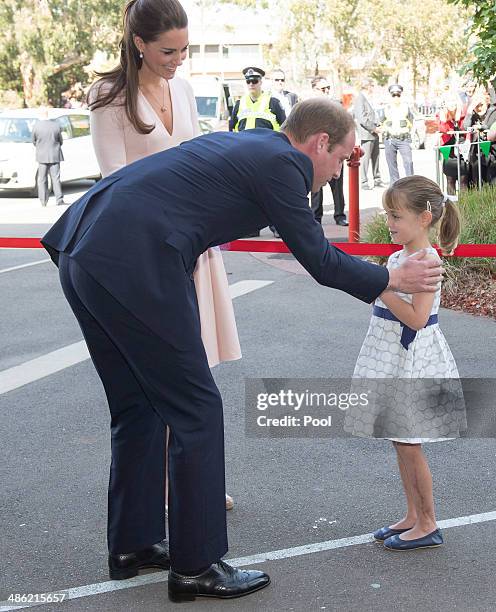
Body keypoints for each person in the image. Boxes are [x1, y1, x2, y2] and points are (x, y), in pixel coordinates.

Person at [41, 98, 445, 601]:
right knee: (197, 410)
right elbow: (317, 257)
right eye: (341, 158)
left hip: (84, 249)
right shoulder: (286, 165)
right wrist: (390, 275)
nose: (337, 170)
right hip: (133, 257)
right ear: (320, 143)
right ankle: (196, 565)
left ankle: (136, 542)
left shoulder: (255, 146)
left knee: (138, 406)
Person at [88, 0, 240, 517]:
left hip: (194, 246)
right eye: (168, 51)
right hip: (143, 256)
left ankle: (190, 478)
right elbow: (114, 183)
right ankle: (175, 488)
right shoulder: (109, 96)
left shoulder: (182, 87)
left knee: (192, 369)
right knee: (164, 375)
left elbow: (196, 160)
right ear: (138, 45)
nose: (178, 60)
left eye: (184, 50)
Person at [345, 175, 464, 551]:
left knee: (410, 443)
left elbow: (416, 318)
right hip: (393, 356)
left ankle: (428, 523)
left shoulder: (427, 260)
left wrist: (380, 284)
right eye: (388, 215)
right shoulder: (398, 257)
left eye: (396, 216)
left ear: (424, 218)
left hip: (413, 360)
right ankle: (413, 514)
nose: (390, 223)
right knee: (400, 441)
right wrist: (384, 278)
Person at [229, 66, 286, 238]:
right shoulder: (239, 104)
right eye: (248, 81)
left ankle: (277, 226)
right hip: (244, 155)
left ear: (261, 82)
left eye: (255, 80)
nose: (251, 84)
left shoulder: (273, 102)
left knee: (271, 192)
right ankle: (251, 227)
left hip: (267, 154)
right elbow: (232, 130)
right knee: (248, 193)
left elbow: (284, 128)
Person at [310, 76, 348, 226]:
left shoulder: (336, 105)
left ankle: (339, 215)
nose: (326, 91)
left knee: (337, 185)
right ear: (314, 90)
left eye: (328, 88)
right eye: (322, 89)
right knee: (315, 186)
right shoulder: (308, 109)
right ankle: (315, 217)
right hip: (316, 152)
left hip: (334, 150)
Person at [31, 108, 66, 207]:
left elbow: (33, 141)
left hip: (41, 156)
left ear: (40, 115)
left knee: (42, 179)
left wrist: (40, 147)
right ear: (47, 115)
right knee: (56, 178)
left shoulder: (36, 126)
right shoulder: (56, 125)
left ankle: (43, 201)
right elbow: (60, 140)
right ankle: (59, 199)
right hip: (55, 154)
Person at [353, 80, 385, 190]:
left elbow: (373, 114)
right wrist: (374, 128)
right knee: (365, 159)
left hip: (374, 133)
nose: (373, 88)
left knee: (376, 157)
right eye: (372, 86)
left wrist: (378, 124)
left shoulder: (368, 98)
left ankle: (377, 179)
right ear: (367, 87)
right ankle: (364, 181)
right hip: (367, 134)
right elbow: (362, 118)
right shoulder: (360, 99)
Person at [382, 84, 414, 185]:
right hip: (390, 139)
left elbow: (411, 120)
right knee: (392, 164)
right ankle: (395, 186)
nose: (396, 97)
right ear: (390, 96)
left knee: (408, 162)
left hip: (403, 139)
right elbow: (381, 121)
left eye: (398, 95)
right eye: (393, 95)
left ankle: (411, 184)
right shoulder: (386, 108)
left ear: (401, 95)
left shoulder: (406, 107)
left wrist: (409, 131)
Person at [438, 96, 468, 194]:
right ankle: (451, 205)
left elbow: (466, 127)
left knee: (463, 181)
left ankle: (464, 205)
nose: (452, 103)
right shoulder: (441, 115)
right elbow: (443, 129)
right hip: (449, 153)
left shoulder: (463, 116)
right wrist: (444, 119)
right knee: (450, 180)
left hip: (462, 153)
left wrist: (458, 117)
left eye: (454, 101)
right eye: (449, 101)